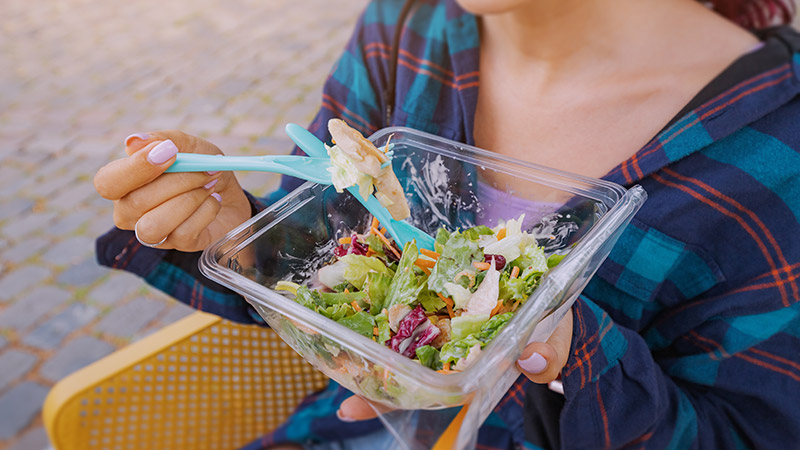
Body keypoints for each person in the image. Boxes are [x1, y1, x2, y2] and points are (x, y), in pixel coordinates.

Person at [93, 0, 800, 448]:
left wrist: (567, 352)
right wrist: (235, 228)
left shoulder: (779, 148)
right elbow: (314, 263)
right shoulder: (404, 27)